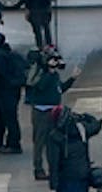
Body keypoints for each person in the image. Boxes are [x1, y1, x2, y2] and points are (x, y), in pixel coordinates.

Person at [47, 105, 102, 192]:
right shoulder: (82, 129)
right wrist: (86, 116)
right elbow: (96, 125)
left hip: (66, 175)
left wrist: (53, 181)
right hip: (83, 173)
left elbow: (53, 161)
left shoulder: (54, 135)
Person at [25, 48, 77, 181]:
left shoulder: (54, 75)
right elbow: (41, 86)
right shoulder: (41, 74)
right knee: (40, 141)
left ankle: (54, 168)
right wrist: (50, 71)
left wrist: (72, 79)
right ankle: (38, 168)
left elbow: (60, 89)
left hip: (54, 111)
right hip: (41, 111)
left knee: (53, 141)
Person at [0, 33, 28, 153]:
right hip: (14, 89)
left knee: (9, 118)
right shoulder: (13, 54)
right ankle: (11, 142)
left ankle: (13, 144)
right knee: (11, 117)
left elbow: (1, 74)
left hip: (4, 90)